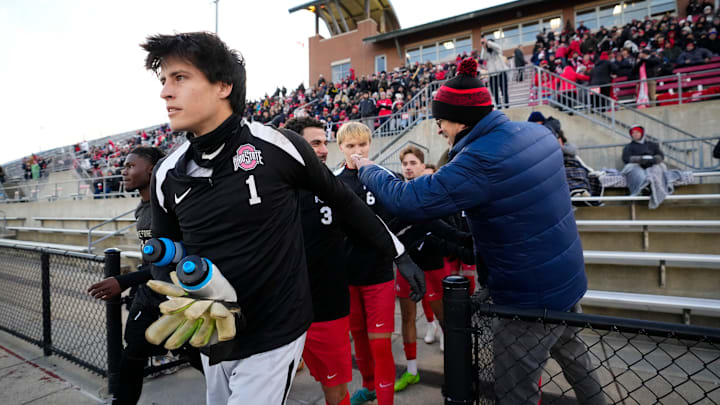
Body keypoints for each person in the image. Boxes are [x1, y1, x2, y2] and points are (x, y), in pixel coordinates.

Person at [140, 32, 424, 405]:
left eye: (180, 78)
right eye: (164, 81)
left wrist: (397, 252)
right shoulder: (166, 173)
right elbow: (163, 255)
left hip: (276, 330)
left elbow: (343, 200)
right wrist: (182, 309)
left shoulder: (277, 145)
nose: (165, 92)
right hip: (216, 336)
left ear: (223, 85)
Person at [352, 58, 605, 405]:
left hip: (526, 298)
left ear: (459, 120)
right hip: (565, 278)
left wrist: (367, 167)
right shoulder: (538, 133)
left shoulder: (479, 159)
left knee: (515, 391)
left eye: (440, 121)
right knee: (577, 360)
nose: (439, 129)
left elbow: (408, 200)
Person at [87, 147, 204, 405]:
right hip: (150, 293)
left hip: (178, 299)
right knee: (134, 352)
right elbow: (151, 260)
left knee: (200, 357)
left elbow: (178, 263)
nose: (123, 171)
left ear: (151, 170)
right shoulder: (142, 208)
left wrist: (123, 281)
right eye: (124, 166)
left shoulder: (169, 211)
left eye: (130, 166)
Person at [334, 122, 424, 405]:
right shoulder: (334, 181)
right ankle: (369, 386)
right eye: (351, 146)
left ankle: (386, 399)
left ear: (370, 144)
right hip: (348, 275)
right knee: (358, 337)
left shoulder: (385, 176)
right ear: (341, 148)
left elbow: (400, 219)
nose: (357, 151)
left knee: (380, 342)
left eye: (362, 145)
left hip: (379, 273)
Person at [392, 145, 474, 393]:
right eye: (405, 163)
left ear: (421, 165)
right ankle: (413, 371)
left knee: (444, 318)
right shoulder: (396, 193)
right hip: (406, 266)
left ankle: (457, 372)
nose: (408, 167)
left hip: (434, 266)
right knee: (407, 318)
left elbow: (446, 226)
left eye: (413, 162)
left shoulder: (432, 192)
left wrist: (453, 243)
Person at [481, 36, 509, 108]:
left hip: (501, 73)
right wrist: (484, 47)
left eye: (489, 44)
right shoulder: (486, 53)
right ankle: (499, 106)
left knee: (504, 90)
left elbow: (498, 47)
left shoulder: (497, 51)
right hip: (492, 75)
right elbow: (483, 57)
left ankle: (506, 105)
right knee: (495, 92)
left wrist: (488, 42)